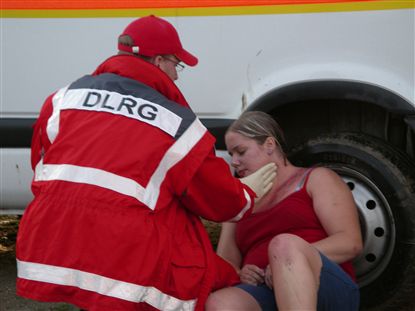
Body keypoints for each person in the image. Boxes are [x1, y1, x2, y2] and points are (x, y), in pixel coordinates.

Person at [15, 16, 277, 311]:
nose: (177, 77)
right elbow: (219, 202)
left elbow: (45, 167)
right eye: (176, 66)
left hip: (54, 240)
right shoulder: (174, 122)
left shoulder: (62, 99)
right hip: (125, 253)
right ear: (158, 61)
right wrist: (245, 193)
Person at [206, 111, 363, 311]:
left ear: (269, 145)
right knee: (219, 303)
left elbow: (350, 242)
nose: (234, 162)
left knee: (283, 245)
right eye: (231, 155)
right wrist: (240, 273)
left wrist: (285, 261)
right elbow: (226, 261)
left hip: (323, 285)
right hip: (263, 289)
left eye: (241, 151)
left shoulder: (316, 179)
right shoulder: (239, 201)